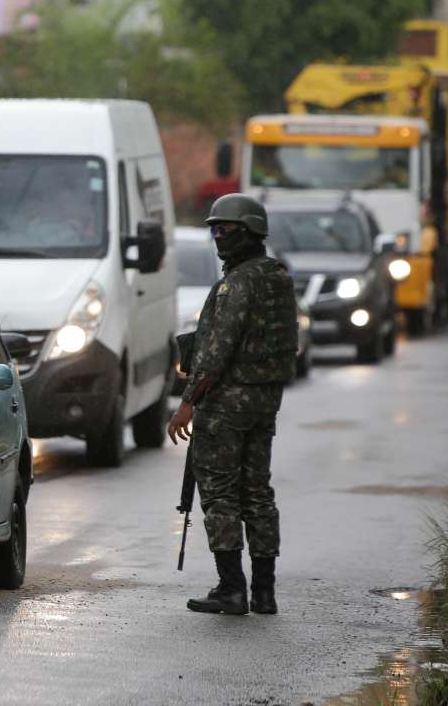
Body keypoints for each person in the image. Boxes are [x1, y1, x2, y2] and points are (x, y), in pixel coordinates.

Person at [167, 193, 298, 616]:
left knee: (221, 492)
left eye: (226, 230)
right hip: (264, 400)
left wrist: (187, 403)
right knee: (257, 491)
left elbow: (215, 353)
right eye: (214, 230)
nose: (218, 237)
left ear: (249, 233)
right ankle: (264, 592)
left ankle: (231, 588)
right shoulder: (276, 276)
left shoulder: (238, 283)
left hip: (228, 403)